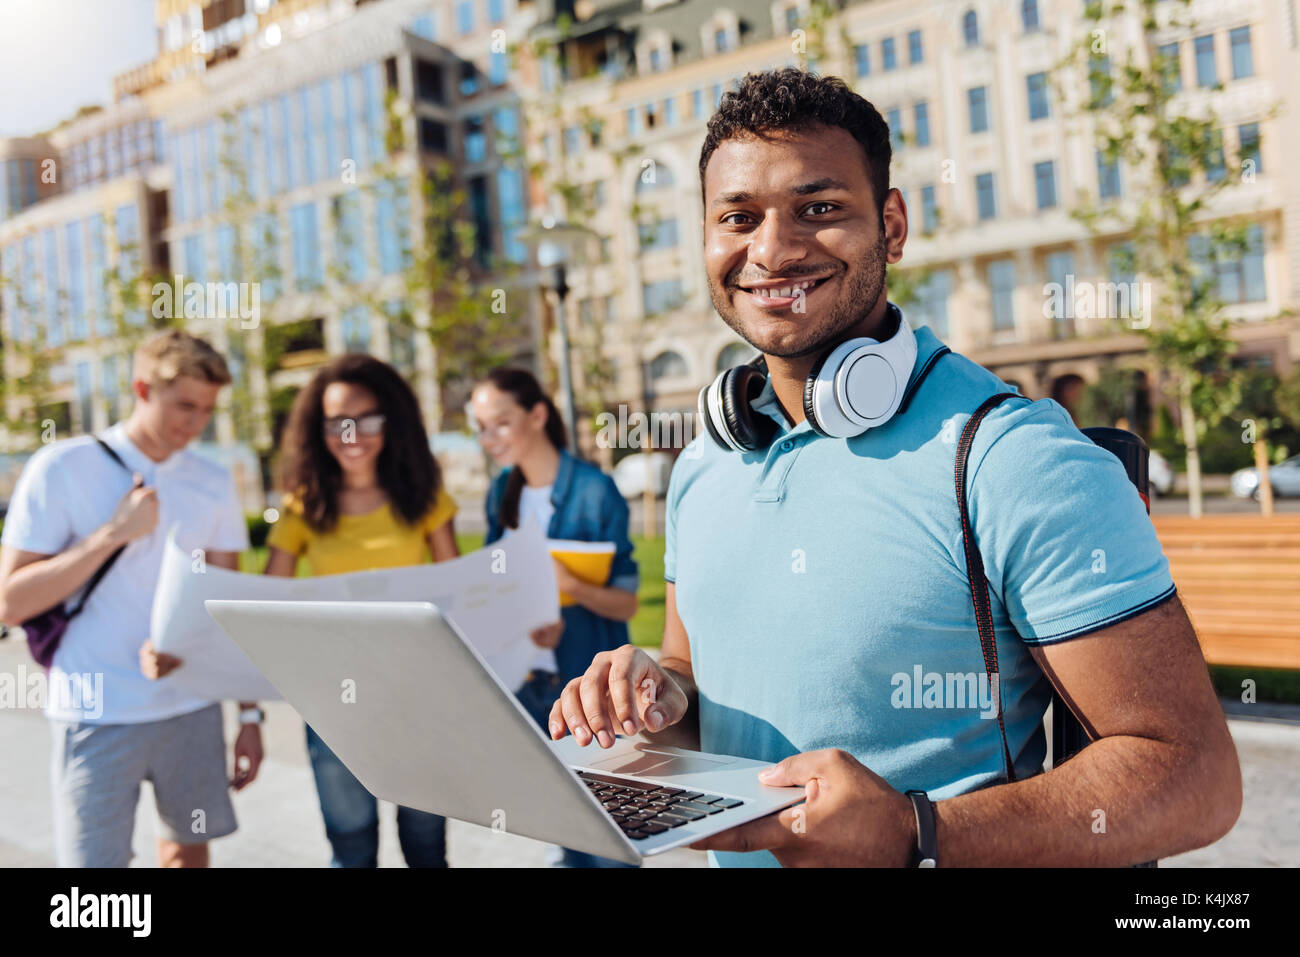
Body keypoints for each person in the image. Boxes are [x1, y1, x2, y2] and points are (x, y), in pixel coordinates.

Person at [547, 69, 1242, 867]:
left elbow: (1195, 774)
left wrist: (915, 832)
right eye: (738, 216)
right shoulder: (707, 461)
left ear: (893, 225)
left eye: (820, 209)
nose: (771, 248)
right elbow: (693, 681)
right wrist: (654, 693)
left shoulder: (1012, 457)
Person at [0, 330, 257, 867]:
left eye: (207, 409)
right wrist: (112, 534)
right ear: (142, 387)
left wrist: (250, 716)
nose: (195, 423)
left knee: (187, 856)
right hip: (93, 708)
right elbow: (10, 603)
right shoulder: (62, 467)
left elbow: (228, 606)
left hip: (190, 708)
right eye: (184, 404)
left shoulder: (212, 480)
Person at [263, 354, 459, 868]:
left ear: (391, 422)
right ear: (318, 428)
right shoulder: (303, 505)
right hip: (334, 704)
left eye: (367, 419)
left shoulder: (424, 498)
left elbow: (460, 593)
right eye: (337, 423)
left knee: (425, 845)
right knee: (350, 848)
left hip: (417, 695)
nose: (352, 434)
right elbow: (265, 606)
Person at [470, 367, 639, 868]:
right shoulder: (500, 492)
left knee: (611, 837)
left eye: (500, 423)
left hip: (591, 692)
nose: (489, 438)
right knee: (561, 837)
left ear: (537, 415)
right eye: (481, 427)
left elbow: (627, 603)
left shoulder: (595, 490)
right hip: (531, 686)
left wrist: (570, 589)